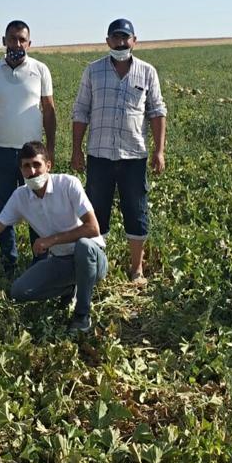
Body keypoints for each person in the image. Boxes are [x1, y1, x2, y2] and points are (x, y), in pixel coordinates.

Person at [0, 141, 107, 335]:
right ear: (21, 170)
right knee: (19, 292)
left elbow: (93, 228)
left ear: (48, 166)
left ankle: (82, 315)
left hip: (93, 259)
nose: (32, 171)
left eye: (37, 164)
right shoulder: (20, 196)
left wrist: (50, 240)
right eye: (26, 166)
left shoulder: (68, 184)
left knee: (84, 246)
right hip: (62, 261)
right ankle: (70, 288)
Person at [71, 18, 166, 286]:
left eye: (126, 38)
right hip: (99, 155)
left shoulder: (147, 72)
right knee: (96, 211)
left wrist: (159, 151)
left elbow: (157, 112)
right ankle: (98, 267)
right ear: (107, 41)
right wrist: (76, 149)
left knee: (136, 211)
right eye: (116, 38)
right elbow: (80, 111)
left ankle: (136, 269)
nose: (121, 42)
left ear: (134, 41)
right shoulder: (93, 71)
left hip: (134, 156)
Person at [0, 20, 57, 278]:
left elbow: (49, 111)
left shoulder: (40, 70)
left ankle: (40, 260)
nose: (17, 44)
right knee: (4, 210)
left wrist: (50, 150)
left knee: (38, 207)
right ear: (4, 41)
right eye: (12, 39)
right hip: (0, 151)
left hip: (32, 155)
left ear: (29, 43)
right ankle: (9, 262)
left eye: (22, 40)